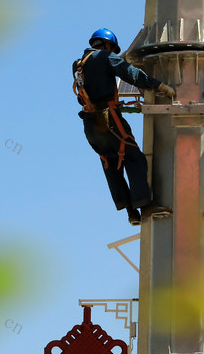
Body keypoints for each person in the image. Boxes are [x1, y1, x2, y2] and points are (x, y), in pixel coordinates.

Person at [73, 28, 177, 225]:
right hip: (109, 119)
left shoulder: (78, 65)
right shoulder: (105, 57)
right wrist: (158, 86)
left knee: (110, 162)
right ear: (107, 44)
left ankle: (131, 212)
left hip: (90, 124)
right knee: (133, 157)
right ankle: (145, 205)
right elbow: (131, 74)